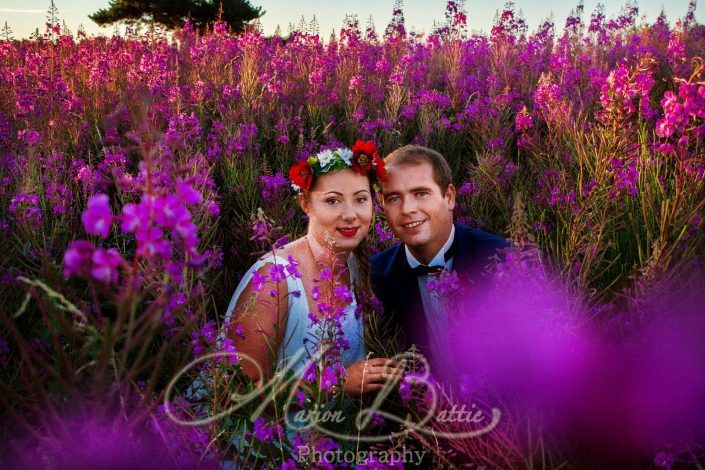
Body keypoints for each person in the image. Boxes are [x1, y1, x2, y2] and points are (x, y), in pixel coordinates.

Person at [224, 141, 403, 401]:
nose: (351, 214)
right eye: (333, 201)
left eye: (361, 199)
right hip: (267, 439)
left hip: (332, 435)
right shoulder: (273, 279)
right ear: (305, 204)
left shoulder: (355, 264)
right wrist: (337, 384)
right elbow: (238, 391)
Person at [371, 145, 509, 377]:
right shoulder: (375, 277)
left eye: (421, 193)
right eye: (394, 198)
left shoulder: (502, 260)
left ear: (449, 197)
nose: (407, 209)